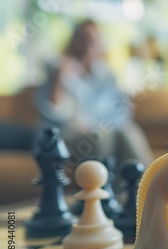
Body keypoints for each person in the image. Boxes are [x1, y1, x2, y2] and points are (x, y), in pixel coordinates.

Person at [36, 19, 154, 169]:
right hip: (65, 136)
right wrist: (59, 78)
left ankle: (148, 185)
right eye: (82, 38)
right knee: (102, 138)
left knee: (129, 131)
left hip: (100, 132)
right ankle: (101, 189)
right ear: (73, 41)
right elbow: (52, 111)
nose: (87, 45)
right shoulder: (57, 69)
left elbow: (121, 116)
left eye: (92, 40)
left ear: (99, 44)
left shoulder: (106, 76)